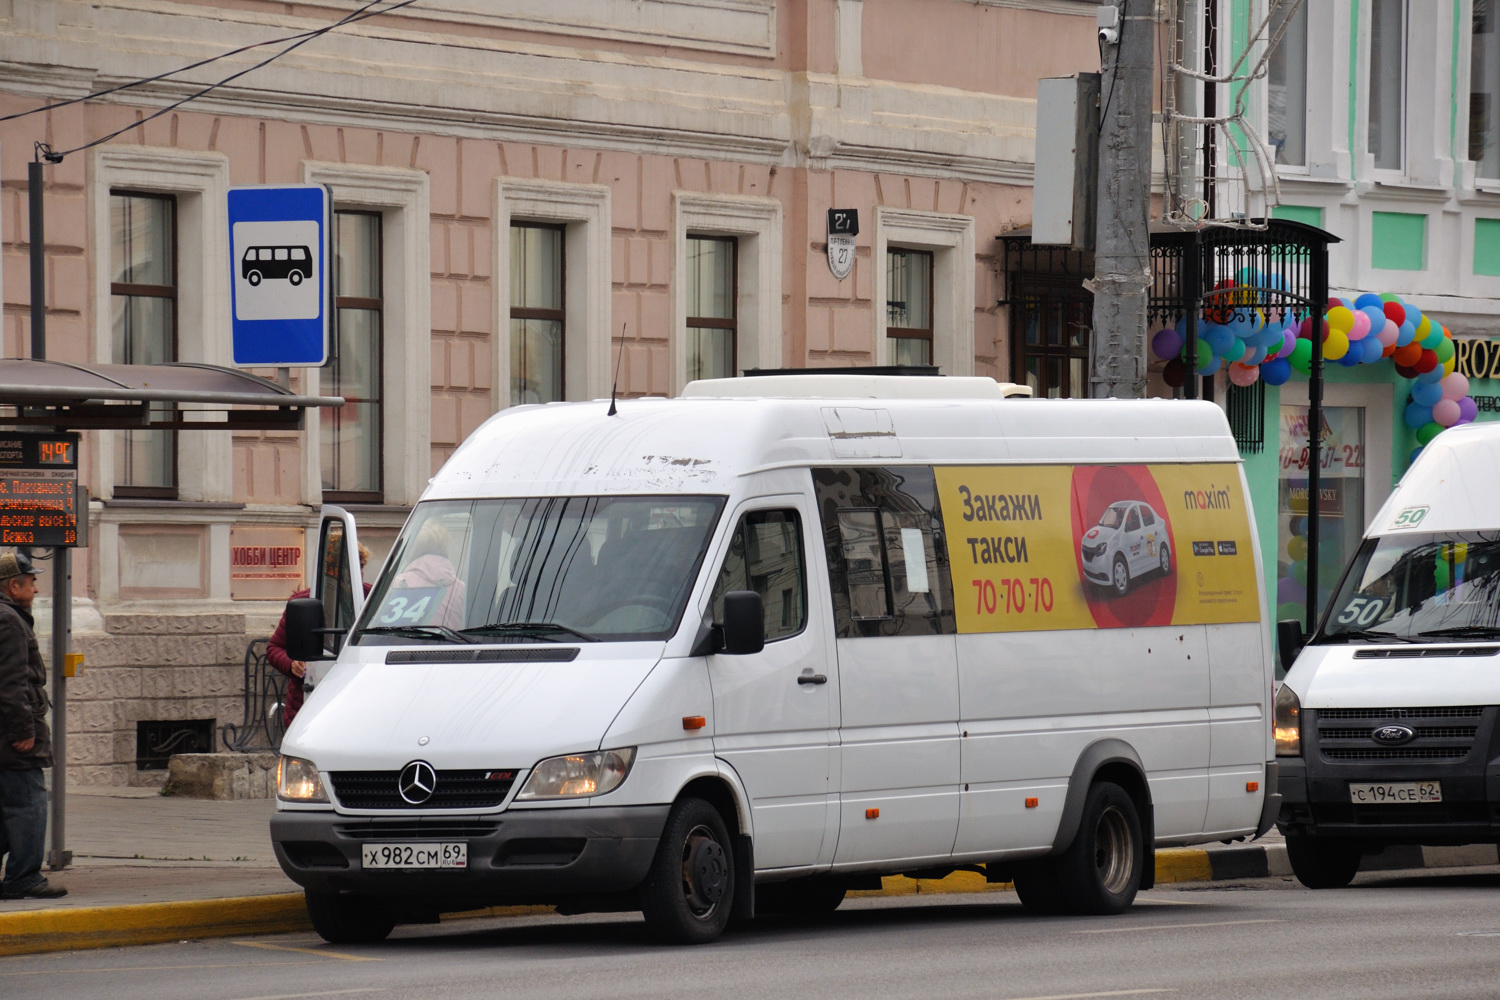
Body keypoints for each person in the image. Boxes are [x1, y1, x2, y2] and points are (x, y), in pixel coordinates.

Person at [0, 551, 66, 900]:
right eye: (32, 581)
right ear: (14, 586)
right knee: (28, 805)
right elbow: (11, 684)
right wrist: (23, 730)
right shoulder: (9, 620)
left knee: (8, 806)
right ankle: (23, 876)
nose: (37, 589)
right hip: (12, 736)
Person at [268, 543, 372, 728]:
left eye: (357, 567)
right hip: (308, 699)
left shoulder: (373, 598)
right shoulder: (304, 601)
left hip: (359, 699)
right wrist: (292, 664)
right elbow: (274, 648)